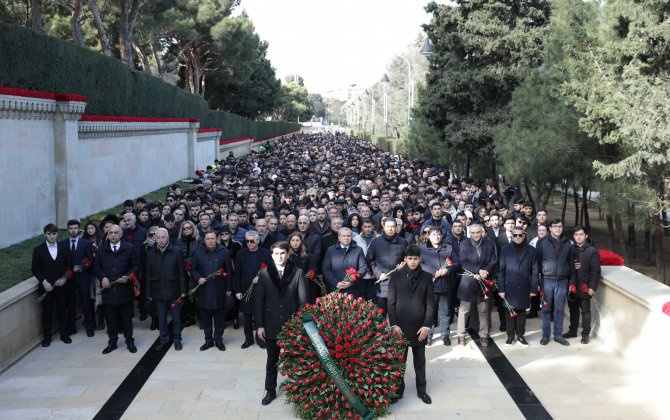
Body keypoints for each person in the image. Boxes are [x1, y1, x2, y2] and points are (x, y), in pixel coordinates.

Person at [255, 241, 308, 406]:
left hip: (292, 325)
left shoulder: (298, 273)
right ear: (272, 255)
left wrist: (302, 325)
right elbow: (259, 302)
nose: (280, 256)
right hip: (270, 324)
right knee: (272, 360)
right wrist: (260, 325)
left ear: (288, 254)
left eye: (283, 253)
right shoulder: (264, 274)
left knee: (296, 360)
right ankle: (270, 390)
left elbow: (303, 302)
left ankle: (298, 390)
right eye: (276, 253)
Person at [388, 244, 435, 405]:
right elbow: (391, 303)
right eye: (410, 259)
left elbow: (430, 304)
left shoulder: (427, 277)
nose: (413, 262)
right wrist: (394, 325)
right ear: (405, 259)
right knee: (399, 361)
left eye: (416, 259)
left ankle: (422, 391)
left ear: (420, 259)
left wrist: (427, 326)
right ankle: (397, 391)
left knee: (420, 362)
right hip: (400, 328)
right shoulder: (395, 276)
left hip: (419, 328)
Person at [94, 224, 140, 354]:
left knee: (126, 319)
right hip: (109, 291)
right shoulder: (101, 249)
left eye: (115, 232)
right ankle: (112, 342)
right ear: (107, 235)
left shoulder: (129, 248)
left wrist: (128, 276)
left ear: (121, 234)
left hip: (125, 290)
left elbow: (136, 266)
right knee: (111, 319)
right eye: (110, 233)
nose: (113, 235)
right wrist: (102, 278)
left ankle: (129, 341)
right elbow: (96, 267)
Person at [190, 230, 234, 351]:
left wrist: (229, 288)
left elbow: (229, 271)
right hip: (204, 290)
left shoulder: (224, 252)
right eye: (208, 239)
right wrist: (198, 278)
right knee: (205, 318)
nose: (210, 241)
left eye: (213, 238)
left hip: (220, 289)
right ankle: (208, 340)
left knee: (220, 317)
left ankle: (219, 340)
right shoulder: (198, 252)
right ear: (204, 240)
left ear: (217, 239)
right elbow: (193, 269)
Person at [455, 224, 498, 346]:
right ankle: (461, 335)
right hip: (468, 281)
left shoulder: (489, 244)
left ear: (482, 232)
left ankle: (484, 335)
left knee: (483, 310)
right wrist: (479, 270)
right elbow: (463, 262)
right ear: (469, 234)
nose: (475, 235)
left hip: (484, 280)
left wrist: (486, 271)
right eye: (472, 233)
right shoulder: (464, 244)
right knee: (464, 310)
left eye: (477, 232)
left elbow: (494, 260)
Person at [145, 228, 186, 351]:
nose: (161, 240)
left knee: (177, 318)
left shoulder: (176, 251)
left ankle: (177, 340)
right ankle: (163, 340)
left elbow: (182, 273)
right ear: (155, 238)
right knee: (161, 319)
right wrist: (148, 293)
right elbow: (148, 274)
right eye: (158, 237)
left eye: (163, 237)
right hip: (158, 291)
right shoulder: (150, 253)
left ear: (167, 238)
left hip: (174, 291)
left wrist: (183, 291)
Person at [497, 227, 539, 347]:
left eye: (520, 235)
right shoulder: (505, 249)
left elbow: (535, 271)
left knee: (521, 311)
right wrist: (501, 289)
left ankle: (520, 335)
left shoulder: (531, 250)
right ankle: (510, 336)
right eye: (515, 235)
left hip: (525, 285)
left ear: (524, 235)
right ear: (512, 236)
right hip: (509, 285)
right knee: (509, 311)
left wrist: (533, 288)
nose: (517, 237)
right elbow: (501, 271)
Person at [32, 223, 71, 347]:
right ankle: (47, 337)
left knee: (62, 311)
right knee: (47, 313)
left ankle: (64, 335)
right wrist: (44, 282)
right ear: (45, 234)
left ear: (57, 234)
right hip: (46, 287)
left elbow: (68, 265)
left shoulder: (64, 247)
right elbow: (35, 269)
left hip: (62, 286)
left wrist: (65, 278)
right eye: (49, 234)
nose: (52, 236)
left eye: (54, 233)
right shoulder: (38, 250)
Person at [535, 219, 574, 346]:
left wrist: (571, 282)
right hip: (547, 279)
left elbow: (571, 264)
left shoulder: (568, 243)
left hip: (562, 280)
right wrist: (539, 279)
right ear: (550, 228)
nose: (558, 228)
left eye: (560, 226)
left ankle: (558, 335)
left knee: (559, 309)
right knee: (546, 309)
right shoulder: (542, 242)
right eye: (555, 226)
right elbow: (538, 261)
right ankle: (545, 335)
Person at [419, 226, 459, 346]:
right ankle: (429, 335)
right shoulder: (422, 249)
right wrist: (432, 271)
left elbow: (457, 262)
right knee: (429, 312)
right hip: (429, 285)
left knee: (445, 312)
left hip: (445, 284)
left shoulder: (449, 248)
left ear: (441, 236)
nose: (436, 237)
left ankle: (445, 335)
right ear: (428, 236)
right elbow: (419, 263)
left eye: (438, 234)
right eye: (434, 234)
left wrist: (447, 270)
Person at [234, 231, 272, 349]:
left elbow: (271, 270)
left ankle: (260, 339)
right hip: (246, 289)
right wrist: (238, 290)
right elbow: (237, 273)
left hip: (261, 289)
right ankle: (248, 339)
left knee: (260, 315)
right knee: (247, 316)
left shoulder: (265, 253)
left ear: (258, 241)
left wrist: (260, 277)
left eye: (252, 241)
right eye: (247, 241)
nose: (249, 243)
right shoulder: (240, 253)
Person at [564, 226, 601, 344]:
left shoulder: (592, 251)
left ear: (586, 236)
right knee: (573, 310)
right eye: (576, 235)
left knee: (585, 310)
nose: (578, 237)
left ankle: (585, 334)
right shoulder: (570, 249)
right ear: (573, 237)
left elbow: (596, 271)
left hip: (585, 286)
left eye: (581, 234)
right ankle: (573, 330)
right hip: (572, 285)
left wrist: (592, 287)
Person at [61, 219, 96, 337]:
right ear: (67, 230)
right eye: (71, 228)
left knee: (86, 303)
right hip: (69, 279)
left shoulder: (85, 243)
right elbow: (61, 262)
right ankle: (72, 327)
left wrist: (82, 267)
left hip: (83, 278)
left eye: (75, 228)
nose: (73, 230)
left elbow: (91, 260)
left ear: (79, 229)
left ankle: (89, 327)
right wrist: (66, 272)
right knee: (70, 304)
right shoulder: (62, 244)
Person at [367, 218, 408, 312]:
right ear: (383, 227)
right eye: (388, 226)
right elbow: (369, 260)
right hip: (382, 283)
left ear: (396, 227)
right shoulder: (376, 242)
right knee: (381, 314)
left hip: (399, 283)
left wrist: (404, 266)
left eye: (392, 226)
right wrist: (378, 274)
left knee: (398, 315)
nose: (390, 229)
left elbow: (408, 259)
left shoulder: (403, 242)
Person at [322, 228, 367, 298]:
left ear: (351, 237)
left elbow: (363, 268)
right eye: (343, 236)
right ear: (339, 237)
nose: (346, 238)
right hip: (336, 289)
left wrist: (351, 282)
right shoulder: (331, 250)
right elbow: (326, 269)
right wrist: (335, 282)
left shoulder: (358, 250)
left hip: (354, 290)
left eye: (348, 236)